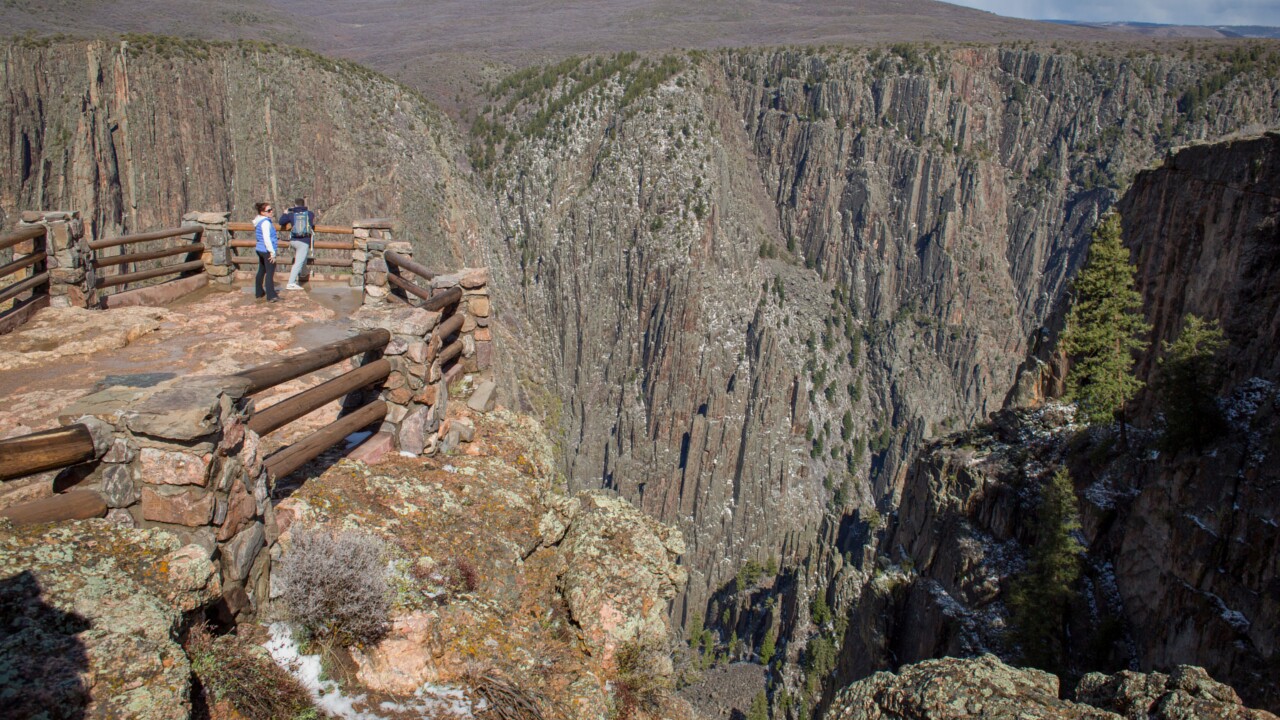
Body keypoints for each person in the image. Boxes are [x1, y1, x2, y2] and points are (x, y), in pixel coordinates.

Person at [279, 197, 317, 291]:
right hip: (304, 241)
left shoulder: (291, 215)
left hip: (293, 241)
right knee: (299, 262)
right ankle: (291, 283)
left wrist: (286, 212)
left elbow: (281, 222)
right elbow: (312, 218)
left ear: (295, 205)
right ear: (304, 205)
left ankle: (303, 273)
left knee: (301, 258)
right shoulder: (309, 214)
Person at [253, 201, 279, 302]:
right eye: (268, 210)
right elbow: (267, 239)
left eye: (271, 209)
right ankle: (271, 295)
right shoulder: (265, 223)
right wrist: (272, 253)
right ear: (262, 212)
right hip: (266, 250)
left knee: (261, 270)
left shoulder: (259, 221)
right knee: (270, 272)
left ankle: (259, 292)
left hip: (260, 249)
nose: (271, 211)